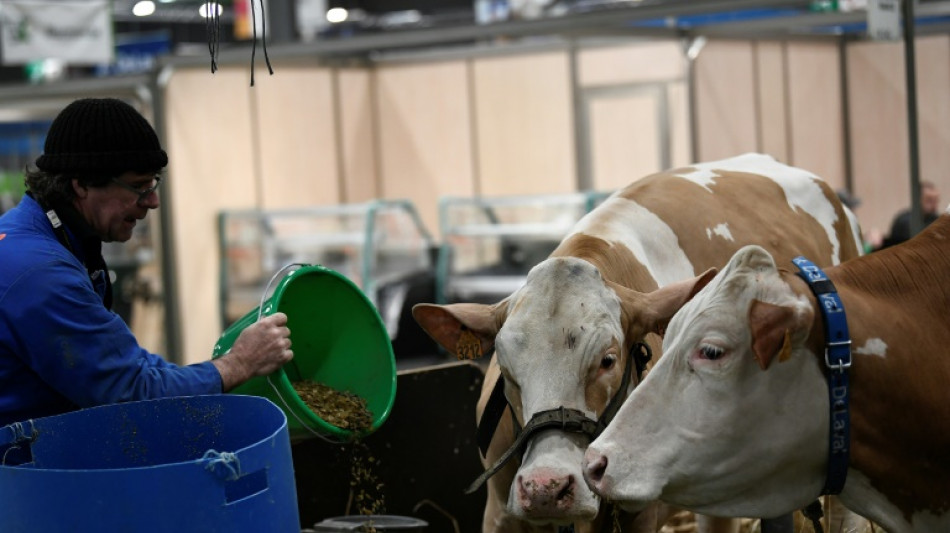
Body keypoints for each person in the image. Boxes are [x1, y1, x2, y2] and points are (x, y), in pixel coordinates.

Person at [0, 98, 293, 427]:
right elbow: (131, 393)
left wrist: (209, 373)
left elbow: (128, 365)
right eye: (138, 186)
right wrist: (238, 364)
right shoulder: (39, 275)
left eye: (154, 183)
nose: (152, 201)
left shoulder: (39, 235)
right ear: (80, 184)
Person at [880, 180, 941, 249]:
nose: (934, 205)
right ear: (917, 199)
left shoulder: (937, 221)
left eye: (936, 200)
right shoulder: (903, 221)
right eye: (929, 200)